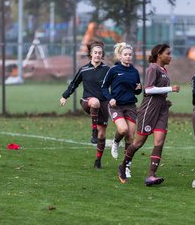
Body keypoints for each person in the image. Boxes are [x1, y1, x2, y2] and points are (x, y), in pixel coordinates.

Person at [117, 44, 180, 186]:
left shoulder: (163, 70)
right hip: (149, 109)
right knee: (138, 142)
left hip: (162, 109)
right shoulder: (153, 68)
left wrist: (164, 99)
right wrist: (171, 88)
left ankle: (151, 175)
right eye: (168, 53)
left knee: (159, 142)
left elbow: (158, 91)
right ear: (159, 55)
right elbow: (149, 89)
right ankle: (123, 165)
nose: (170, 56)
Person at [60, 40, 109, 169]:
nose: (97, 55)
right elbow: (74, 84)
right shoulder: (84, 70)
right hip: (88, 101)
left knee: (102, 135)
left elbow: (116, 85)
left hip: (103, 104)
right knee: (95, 102)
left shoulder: (107, 70)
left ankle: (98, 160)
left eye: (100, 53)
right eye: (95, 52)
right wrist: (65, 96)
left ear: (102, 55)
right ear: (91, 54)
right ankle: (93, 131)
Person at [101, 42, 142, 177]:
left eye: (130, 55)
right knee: (123, 130)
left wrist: (139, 89)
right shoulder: (113, 70)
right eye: (126, 54)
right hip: (116, 105)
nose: (128, 57)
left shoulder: (135, 72)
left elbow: (136, 91)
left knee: (130, 136)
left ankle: (126, 166)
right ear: (120, 56)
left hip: (130, 106)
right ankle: (116, 142)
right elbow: (104, 87)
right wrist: (110, 98)